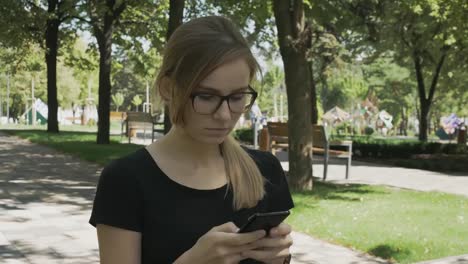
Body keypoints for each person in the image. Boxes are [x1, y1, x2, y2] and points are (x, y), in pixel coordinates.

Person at [89, 16, 294, 264]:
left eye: (238, 97)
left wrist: (279, 258)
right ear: (168, 88)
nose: (224, 115)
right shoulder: (125, 180)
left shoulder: (265, 171)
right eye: (206, 96)